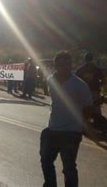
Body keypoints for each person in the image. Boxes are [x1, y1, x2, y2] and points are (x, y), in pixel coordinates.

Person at [40, 51, 92, 187]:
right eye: (61, 64)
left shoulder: (80, 85)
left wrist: (87, 127)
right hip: (53, 129)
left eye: (68, 64)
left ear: (71, 65)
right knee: (45, 160)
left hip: (71, 132)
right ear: (56, 65)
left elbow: (88, 108)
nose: (65, 67)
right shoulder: (50, 80)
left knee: (68, 168)